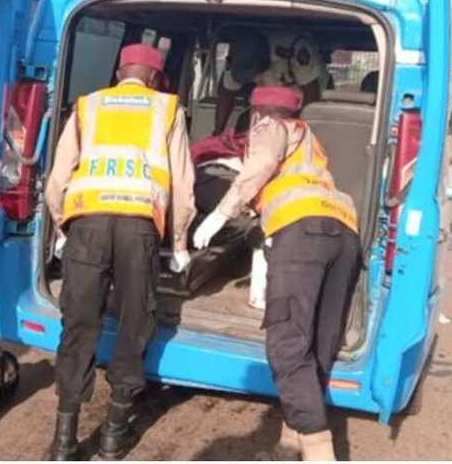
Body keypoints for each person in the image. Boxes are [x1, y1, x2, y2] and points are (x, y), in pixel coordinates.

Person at [43, 43, 196, 461]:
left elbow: (59, 176)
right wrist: (180, 241)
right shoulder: (166, 110)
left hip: (87, 224)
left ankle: (63, 441)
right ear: (155, 77)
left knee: (78, 322)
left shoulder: (89, 105)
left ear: (118, 71)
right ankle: (113, 435)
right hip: (138, 226)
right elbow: (182, 184)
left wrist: (61, 225)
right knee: (134, 320)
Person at [192, 86, 360, 461]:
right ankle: (288, 445)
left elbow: (262, 164)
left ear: (256, 112)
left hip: (302, 233)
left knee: (286, 345)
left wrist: (222, 213)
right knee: (317, 345)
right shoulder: (307, 138)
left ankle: (319, 452)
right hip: (344, 232)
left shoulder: (269, 126)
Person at [213, 30, 326, 135]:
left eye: (254, 75)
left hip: (299, 96)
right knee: (245, 122)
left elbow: (312, 95)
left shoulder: (294, 49)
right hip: (266, 95)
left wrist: (298, 130)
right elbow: (226, 94)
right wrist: (217, 131)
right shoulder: (238, 55)